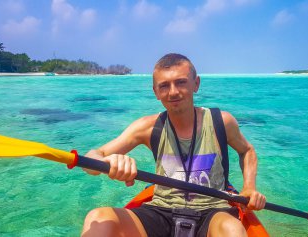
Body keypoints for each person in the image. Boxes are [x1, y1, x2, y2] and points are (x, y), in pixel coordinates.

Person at [81, 53, 266, 237]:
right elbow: (92, 157)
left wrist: (249, 187)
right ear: (155, 92)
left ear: (196, 84)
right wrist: (107, 162)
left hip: (213, 211)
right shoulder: (147, 127)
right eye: (164, 86)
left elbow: (247, 151)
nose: (173, 92)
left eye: (181, 82)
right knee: (98, 217)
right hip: (161, 211)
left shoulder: (221, 122)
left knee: (231, 229)